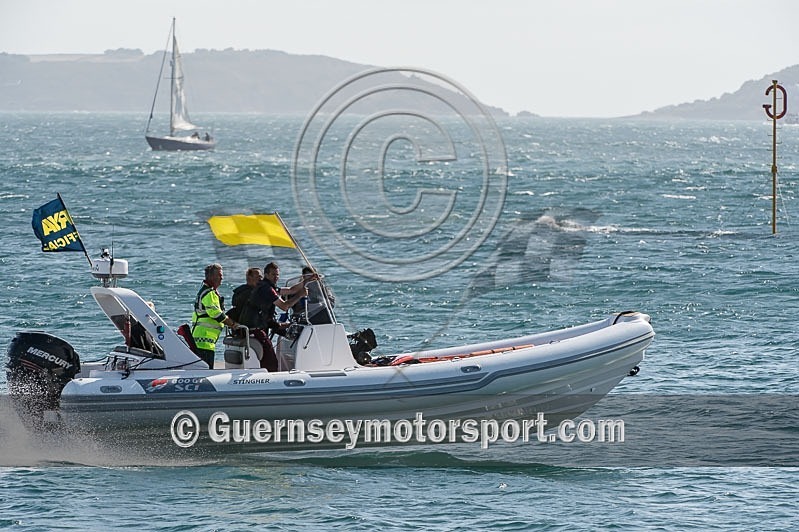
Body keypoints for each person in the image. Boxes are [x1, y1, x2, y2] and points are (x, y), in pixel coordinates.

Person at [240, 262, 307, 371]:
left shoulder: (267, 287)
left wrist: (307, 280)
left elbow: (291, 290)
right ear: (266, 275)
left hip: (259, 326)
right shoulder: (267, 289)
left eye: (277, 275)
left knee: (269, 357)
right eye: (273, 275)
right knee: (271, 362)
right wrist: (300, 295)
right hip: (256, 329)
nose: (276, 277)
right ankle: (270, 379)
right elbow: (284, 306)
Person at [191, 263, 238, 368]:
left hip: (205, 342)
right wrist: (233, 324)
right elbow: (216, 314)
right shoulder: (208, 293)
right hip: (203, 342)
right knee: (205, 370)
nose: (222, 278)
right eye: (219, 275)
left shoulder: (209, 291)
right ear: (211, 277)